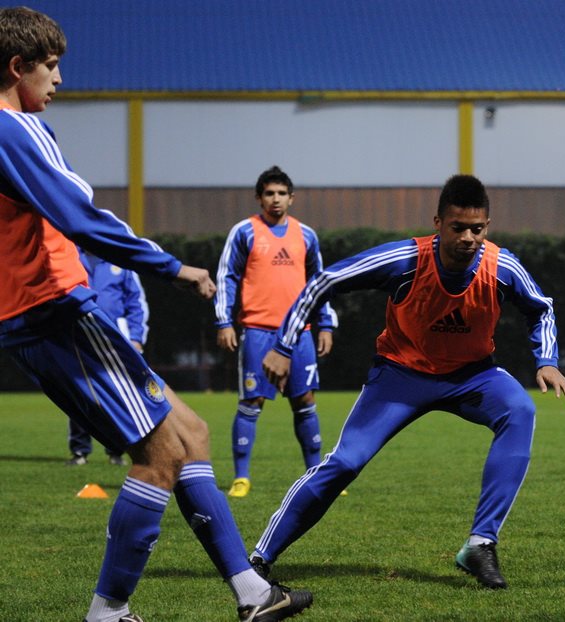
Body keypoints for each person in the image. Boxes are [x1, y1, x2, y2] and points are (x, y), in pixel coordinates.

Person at [0, 7, 311, 621]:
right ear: (17, 66)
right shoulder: (15, 129)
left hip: (46, 314)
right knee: (161, 456)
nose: (59, 79)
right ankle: (109, 612)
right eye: (51, 66)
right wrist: (173, 267)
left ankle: (253, 594)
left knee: (191, 434)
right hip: (54, 313)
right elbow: (82, 217)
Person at [250, 173, 565, 590]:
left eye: (477, 229)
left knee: (520, 409)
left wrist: (547, 361)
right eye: (458, 228)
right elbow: (324, 282)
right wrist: (284, 345)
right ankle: (260, 558)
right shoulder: (405, 260)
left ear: (487, 227)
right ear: (438, 223)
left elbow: (541, 308)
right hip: (401, 377)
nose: (468, 238)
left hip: (471, 376)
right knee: (345, 462)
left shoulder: (501, 266)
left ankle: (481, 544)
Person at [215, 165, 338, 498]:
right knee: (251, 401)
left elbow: (320, 284)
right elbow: (227, 277)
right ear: (259, 198)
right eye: (269, 193)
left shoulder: (306, 236)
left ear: (291, 198)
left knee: (305, 400)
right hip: (258, 331)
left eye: (282, 193)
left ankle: (315, 475)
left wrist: (326, 324)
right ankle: (241, 478)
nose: (276, 199)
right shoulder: (244, 232)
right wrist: (224, 321)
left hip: (299, 333)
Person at [65, 249, 150, 467]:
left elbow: (136, 302)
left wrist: (136, 337)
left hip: (115, 340)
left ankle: (116, 450)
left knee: (117, 395)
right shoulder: (69, 255)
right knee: (80, 394)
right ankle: (79, 451)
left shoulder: (118, 257)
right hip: (79, 336)